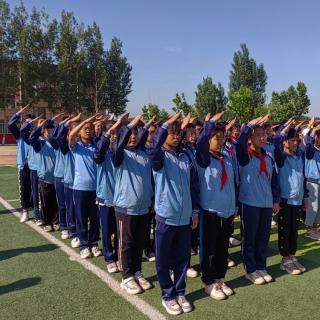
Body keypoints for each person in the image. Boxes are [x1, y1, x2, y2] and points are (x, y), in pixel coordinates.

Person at [150, 113, 199, 316]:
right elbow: (154, 149)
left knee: (183, 257)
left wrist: (194, 211)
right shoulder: (159, 157)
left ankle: (180, 292)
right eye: (173, 133)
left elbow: (194, 186)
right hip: (166, 216)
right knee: (163, 259)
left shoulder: (186, 156)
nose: (177, 136)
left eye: (179, 133)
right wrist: (164, 126)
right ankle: (167, 295)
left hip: (185, 216)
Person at [196, 112, 237, 300]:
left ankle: (219, 278)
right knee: (209, 248)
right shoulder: (203, 158)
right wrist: (208, 125)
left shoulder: (226, 157)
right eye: (216, 138)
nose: (220, 142)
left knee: (222, 247)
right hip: (210, 211)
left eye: (222, 138)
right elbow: (201, 144)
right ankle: (209, 281)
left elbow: (232, 182)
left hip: (227, 210)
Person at [112, 114, 153, 294]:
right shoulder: (119, 154)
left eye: (136, 133)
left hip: (144, 207)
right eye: (130, 134)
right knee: (126, 243)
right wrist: (127, 126)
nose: (134, 137)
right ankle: (126, 276)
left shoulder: (144, 154)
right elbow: (119, 144)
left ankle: (136, 271)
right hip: (125, 207)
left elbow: (149, 180)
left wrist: (151, 200)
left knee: (139, 242)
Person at [236, 115, 280, 285]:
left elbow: (274, 181)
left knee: (263, 236)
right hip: (250, 203)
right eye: (258, 135)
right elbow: (239, 143)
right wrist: (248, 126)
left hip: (266, 204)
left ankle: (261, 266)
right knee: (250, 237)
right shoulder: (245, 156)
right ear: (250, 139)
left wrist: (275, 200)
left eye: (264, 135)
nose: (262, 137)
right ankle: (251, 269)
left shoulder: (268, 158)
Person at [94, 113, 128, 273]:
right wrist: (110, 130)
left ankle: (118, 255)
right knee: (107, 230)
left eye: (116, 134)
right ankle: (109, 257)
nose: (114, 137)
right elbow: (99, 149)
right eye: (111, 134)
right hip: (106, 198)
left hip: (121, 199)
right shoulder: (101, 154)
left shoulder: (120, 153)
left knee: (119, 231)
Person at [274, 123, 308, 274]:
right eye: (292, 140)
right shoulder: (281, 157)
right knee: (285, 230)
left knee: (294, 230)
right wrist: (285, 129)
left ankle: (292, 256)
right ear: (285, 141)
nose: (295, 143)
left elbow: (303, 179)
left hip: (298, 199)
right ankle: (285, 259)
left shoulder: (299, 157)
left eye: (296, 140)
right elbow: (275, 142)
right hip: (286, 200)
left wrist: (305, 198)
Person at [68, 115, 102, 259]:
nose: (88, 131)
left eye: (90, 129)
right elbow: (71, 135)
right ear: (80, 131)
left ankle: (93, 243)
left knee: (95, 218)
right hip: (80, 188)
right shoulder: (76, 146)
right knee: (81, 218)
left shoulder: (96, 146)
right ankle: (83, 245)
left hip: (96, 188)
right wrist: (83, 122)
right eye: (85, 129)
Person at [29, 118, 59, 231]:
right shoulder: (40, 141)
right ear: (44, 130)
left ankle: (56, 221)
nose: (51, 130)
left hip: (56, 177)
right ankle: (47, 222)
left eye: (52, 128)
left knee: (56, 202)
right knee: (45, 202)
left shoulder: (56, 141)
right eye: (48, 128)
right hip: (44, 177)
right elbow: (32, 137)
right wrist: (38, 127)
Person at [7, 104, 33, 222]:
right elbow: (10, 124)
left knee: (36, 190)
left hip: (36, 166)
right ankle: (25, 211)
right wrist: (19, 112)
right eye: (25, 123)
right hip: (23, 165)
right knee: (24, 189)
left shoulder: (36, 136)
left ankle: (39, 213)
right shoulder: (20, 136)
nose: (27, 125)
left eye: (29, 123)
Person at [304, 123, 320, 240]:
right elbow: (306, 138)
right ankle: (309, 229)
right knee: (312, 206)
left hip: (319, 182)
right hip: (312, 182)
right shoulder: (310, 149)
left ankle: (314, 228)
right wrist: (313, 129)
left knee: (318, 207)